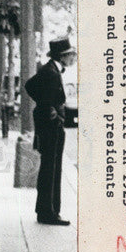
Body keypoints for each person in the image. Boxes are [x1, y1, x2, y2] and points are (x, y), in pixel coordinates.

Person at [24, 37, 76, 226]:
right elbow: (31, 87)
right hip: (51, 127)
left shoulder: (50, 70)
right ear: (62, 56)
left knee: (50, 167)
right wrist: (48, 108)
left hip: (51, 125)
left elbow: (30, 86)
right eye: (71, 55)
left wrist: (44, 104)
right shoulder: (51, 72)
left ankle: (47, 209)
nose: (73, 58)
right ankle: (49, 212)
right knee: (51, 168)